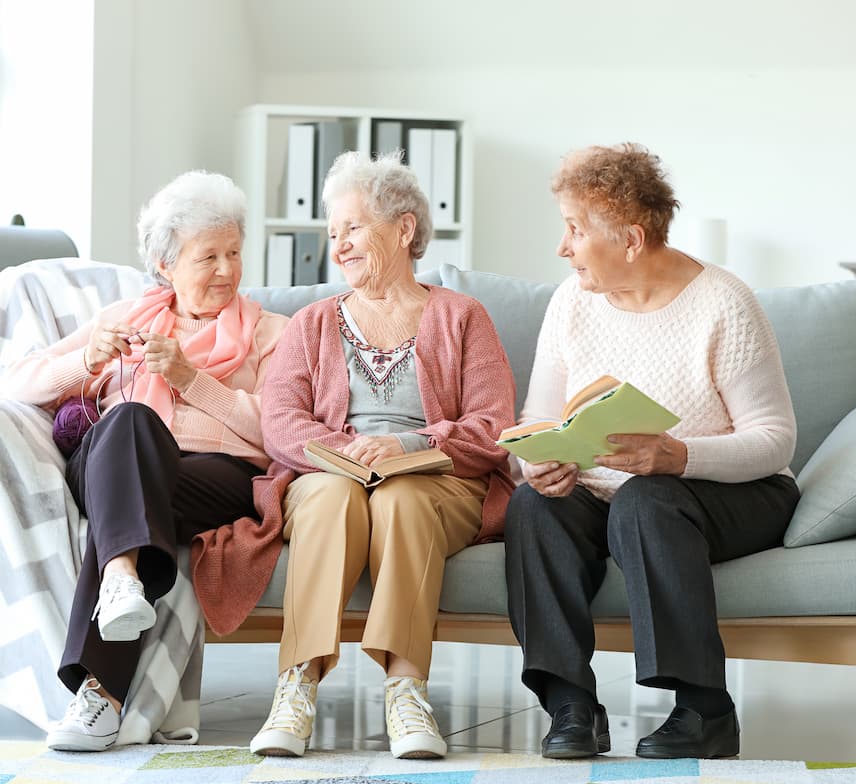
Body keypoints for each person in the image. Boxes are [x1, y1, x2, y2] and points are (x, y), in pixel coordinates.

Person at [503, 144, 798, 760]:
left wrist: (678, 456)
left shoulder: (724, 303)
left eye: (576, 231)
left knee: (646, 500)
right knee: (533, 505)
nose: (563, 247)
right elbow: (536, 417)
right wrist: (538, 459)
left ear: (631, 239)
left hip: (732, 492)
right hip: (606, 490)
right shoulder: (570, 302)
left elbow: (775, 441)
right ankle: (571, 705)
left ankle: (704, 709)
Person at [0, 171, 288, 751]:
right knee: (132, 422)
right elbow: (17, 383)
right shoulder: (124, 319)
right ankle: (121, 582)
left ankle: (100, 691)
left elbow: (279, 432)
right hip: (111, 464)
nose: (228, 270)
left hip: (215, 475)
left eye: (234, 252)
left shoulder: (270, 333)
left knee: (125, 512)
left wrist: (192, 379)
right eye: (209, 256)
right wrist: (86, 360)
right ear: (166, 265)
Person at [249, 151, 516, 760]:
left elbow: (494, 424)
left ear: (403, 229)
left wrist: (408, 444)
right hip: (329, 472)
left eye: (353, 228)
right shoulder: (311, 323)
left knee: (403, 495)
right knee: (332, 497)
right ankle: (296, 686)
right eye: (333, 232)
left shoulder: (462, 316)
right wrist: (351, 451)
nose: (338, 245)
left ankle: (405, 689)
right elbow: (282, 423)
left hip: (436, 476)